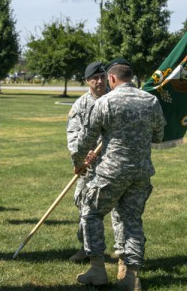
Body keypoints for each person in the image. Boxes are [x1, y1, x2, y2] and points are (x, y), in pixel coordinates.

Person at [72, 58, 165, 290]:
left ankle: (97, 269)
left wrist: (79, 162)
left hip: (110, 173)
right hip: (140, 173)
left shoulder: (105, 102)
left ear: (112, 78)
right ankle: (131, 276)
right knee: (132, 220)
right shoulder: (151, 100)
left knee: (91, 213)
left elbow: (84, 139)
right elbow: (159, 136)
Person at [66, 61, 126, 274]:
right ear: (87, 81)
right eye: (95, 78)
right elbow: (73, 136)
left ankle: (123, 257)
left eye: (102, 76)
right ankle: (86, 248)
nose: (100, 81)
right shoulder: (81, 105)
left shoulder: (117, 100)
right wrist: (80, 160)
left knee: (119, 212)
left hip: (114, 166)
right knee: (84, 206)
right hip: (89, 167)